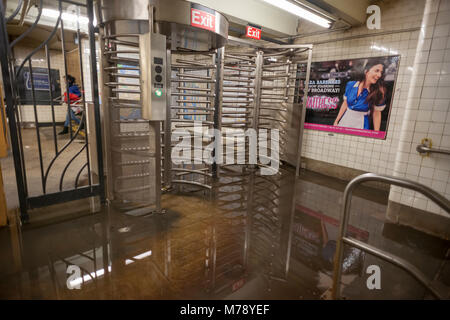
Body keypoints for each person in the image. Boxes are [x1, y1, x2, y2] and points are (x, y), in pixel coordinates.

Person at [333, 58, 386, 131]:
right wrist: (336, 121)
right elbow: (345, 104)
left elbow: (376, 113)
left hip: (361, 124)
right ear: (366, 71)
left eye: (381, 72)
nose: (379, 75)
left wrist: (376, 132)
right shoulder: (350, 85)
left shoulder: (378, 92)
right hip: (345, 120)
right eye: (377, 71)